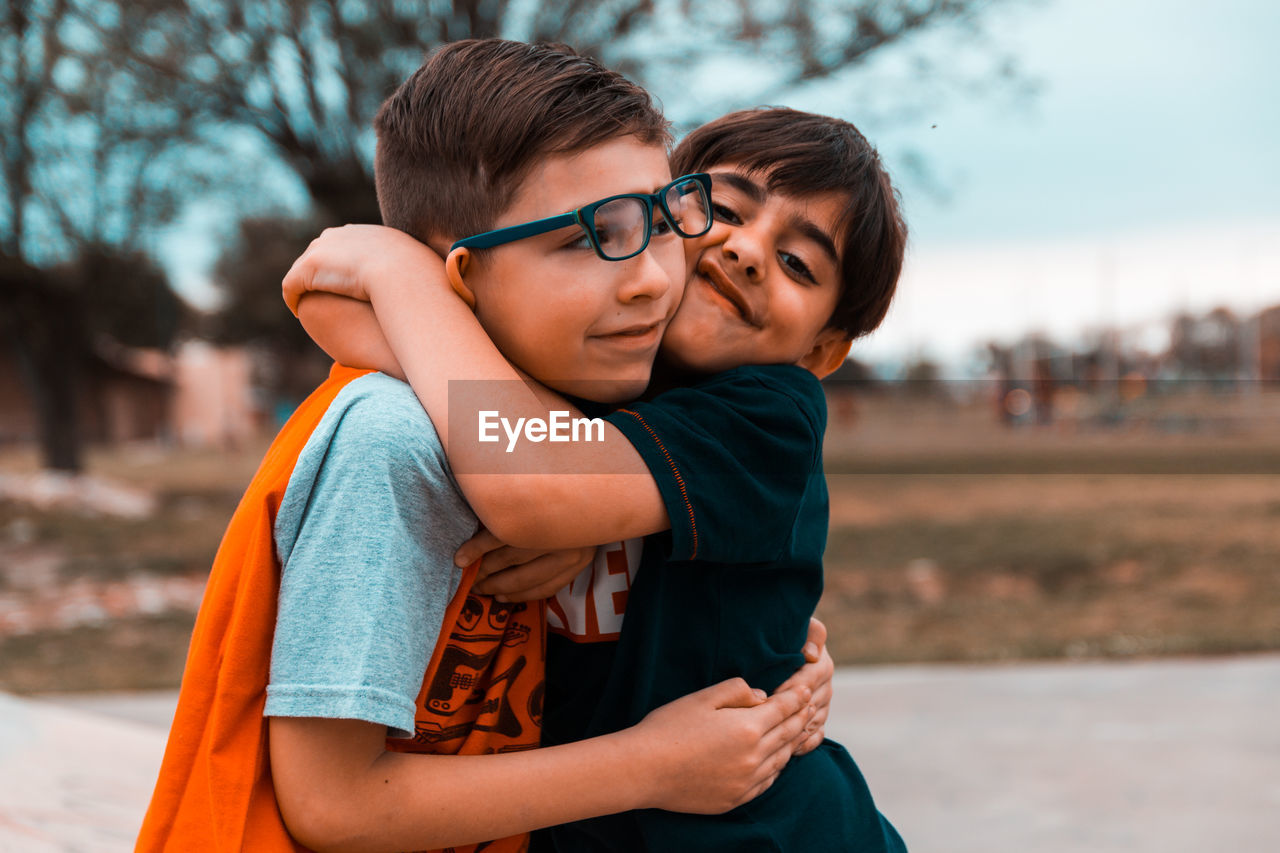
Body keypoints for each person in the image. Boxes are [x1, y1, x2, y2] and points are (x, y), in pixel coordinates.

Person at [137, 41, 829, 853]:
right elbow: (331, 802)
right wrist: (651, 764)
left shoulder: (594, 410)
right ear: (457, 280)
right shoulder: (393, 444)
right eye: (590, 237)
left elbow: (560, 473)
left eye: (662, 215)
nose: (652, 278)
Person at [284, 106, 909, 851]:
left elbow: (532, 484)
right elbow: (329, 301)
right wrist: (579, 491)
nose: (746, 250)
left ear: (823, 350)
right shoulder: (589, 373)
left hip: (769, 831)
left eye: (799, 263)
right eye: (725, 209)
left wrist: (394, 271)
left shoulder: (771, 416)